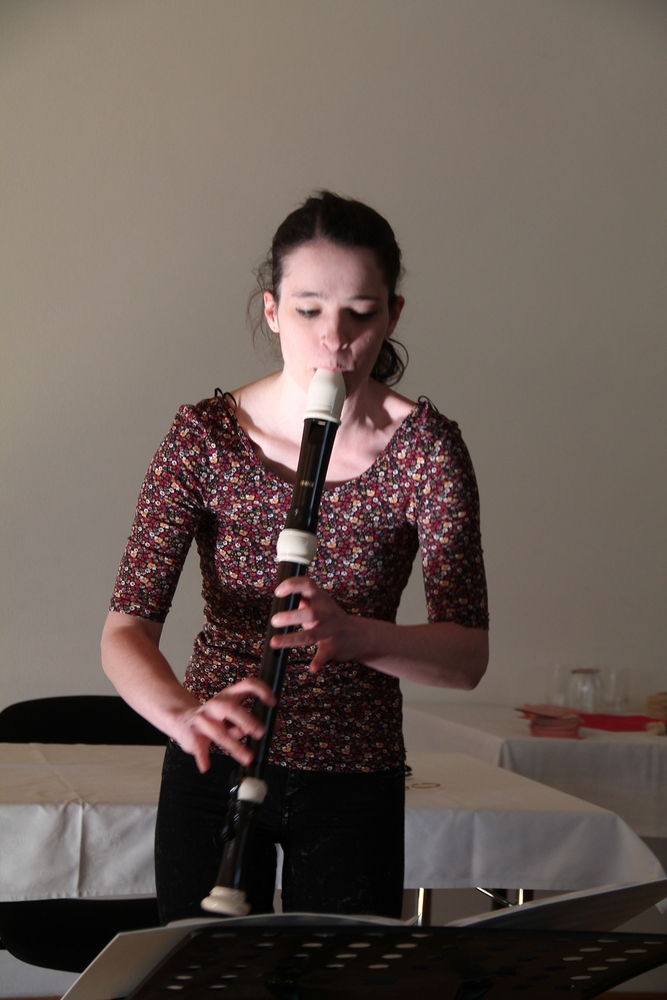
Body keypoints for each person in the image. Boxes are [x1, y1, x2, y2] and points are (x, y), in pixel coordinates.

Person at [101, 191, 489, 924]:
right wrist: (184, 718)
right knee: (203, 970)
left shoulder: (427, 450)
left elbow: (466, 657)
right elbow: (124, 631)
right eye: (309, 311)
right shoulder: (205, 437)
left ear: (392, 316)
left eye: (360, 314)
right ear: (273, 311)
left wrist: (357, 635)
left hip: (356, 774)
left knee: (341, 975)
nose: (334, 340)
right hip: (215, 759)